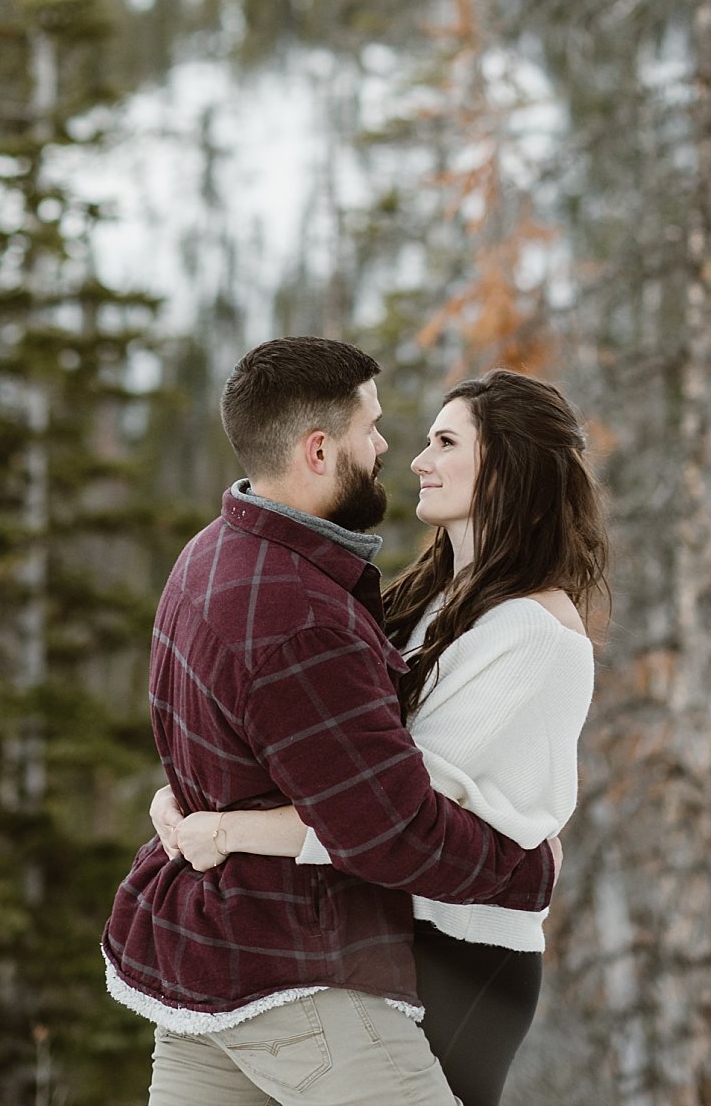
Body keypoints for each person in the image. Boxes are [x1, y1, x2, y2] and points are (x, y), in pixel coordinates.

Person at [101, 337, 561, 1106]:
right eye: (370, 428)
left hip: (201, 976)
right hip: (295, 976)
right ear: (319, 450)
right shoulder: (300, 615)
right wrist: (527, 871)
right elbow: (387, 829)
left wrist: (197, 812)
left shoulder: (210, 554)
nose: (388, 448)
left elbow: (222, 746)